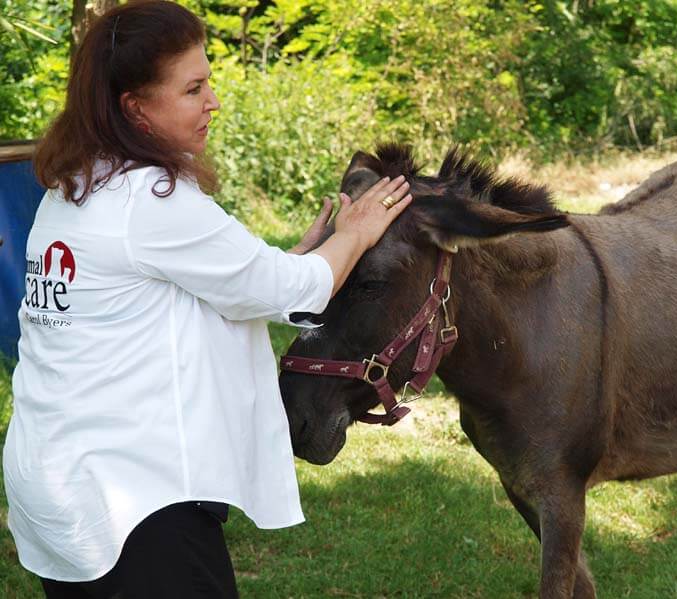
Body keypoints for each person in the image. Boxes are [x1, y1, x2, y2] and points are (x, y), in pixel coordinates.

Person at [1, 1, 412, 597]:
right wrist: (356, 234)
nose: (213, 101)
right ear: (135, 108)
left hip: (58, 487)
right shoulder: (153, 199)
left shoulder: (72, 188)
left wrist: (289, 262)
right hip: (134, 504)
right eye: (193, 89)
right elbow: (291, 289)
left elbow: (205, 289)